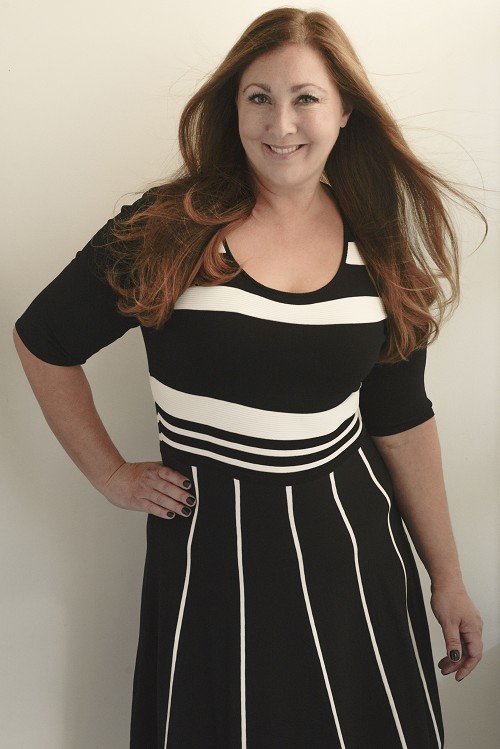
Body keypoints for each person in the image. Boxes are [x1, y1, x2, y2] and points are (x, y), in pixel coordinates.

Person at [13, 7, 483, 749]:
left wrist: (447, 578)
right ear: (232, 109)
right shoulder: (169, 229)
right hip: (213, 563)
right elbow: (43, 340)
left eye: (306, 97)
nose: (280, 122)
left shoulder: (380, 247)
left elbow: (401, 421)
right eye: (258, 96)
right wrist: (110, 474)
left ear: (344, 110)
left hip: (353, 563)